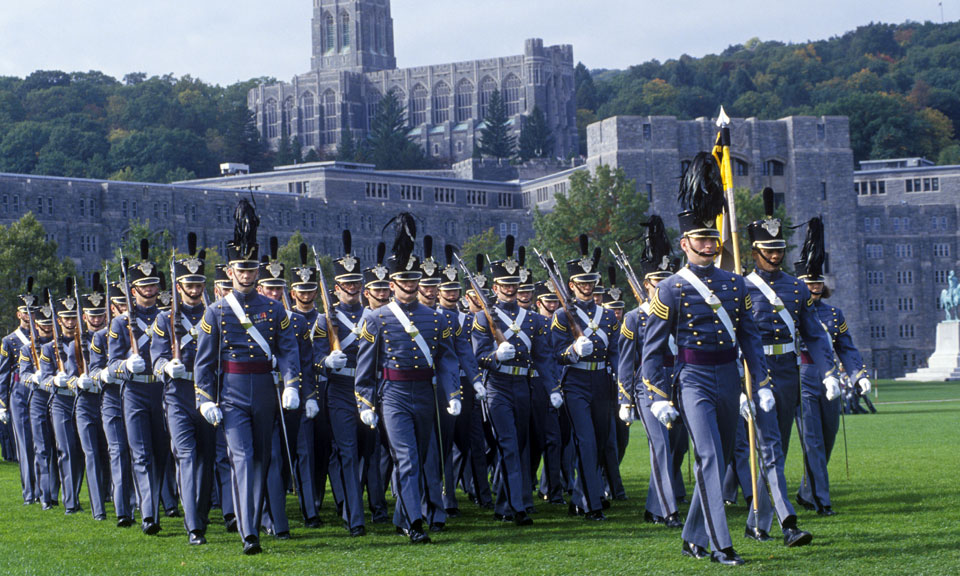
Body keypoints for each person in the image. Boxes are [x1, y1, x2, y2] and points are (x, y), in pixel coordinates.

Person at [641, 152, 770, 566]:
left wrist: (760, 383)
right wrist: (658, 394)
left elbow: (750, 339)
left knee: (717, 458)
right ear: (685, 243)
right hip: (693, 378)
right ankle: (721, 545)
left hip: (729, 377)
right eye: (701, 239)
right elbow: (653, 348)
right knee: (710, 457)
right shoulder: (671, 290)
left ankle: (693, 536)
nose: (709, 245)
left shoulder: (735, 285)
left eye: (712, 239)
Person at [193, 199, 302, 555]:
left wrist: (292, 384)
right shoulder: (216, 310)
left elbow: (288, 350)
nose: (247, 274)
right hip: (233, 392)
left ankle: (254, 521)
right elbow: (205, 362)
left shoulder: (274, 309)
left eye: (252, 268)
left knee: (262, 460)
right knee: (240, 458)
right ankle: (249, 532)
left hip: (266, 392)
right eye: (241, 269)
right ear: (230, 271)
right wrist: (204, 398)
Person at [354, 213, 461, 543]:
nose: (413, 286)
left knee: (422, 456)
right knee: (407, 458)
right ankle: (416, 523)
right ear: (393, 284)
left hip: (425, 394)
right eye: (406, 281)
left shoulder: (435, 318)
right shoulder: (377, 318)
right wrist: (365, 400)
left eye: (416, 281)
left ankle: (403, 515)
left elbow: (446, 359)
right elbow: (365, 365)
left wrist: (452, 393)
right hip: (394, 394)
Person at [741, 188, 835, 546]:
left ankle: (756, 523)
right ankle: (787, 522)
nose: (777, 255)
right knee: (770, 450)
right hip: (755, 371)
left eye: (780, 249)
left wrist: (827, 372)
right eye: (770, 251)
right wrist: (740, 385)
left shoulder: (797, 289)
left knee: (775, 451)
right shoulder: (740, 287)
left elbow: (813, 335)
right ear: (755, 252)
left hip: (788, 371)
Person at [473, 236, 556, 525]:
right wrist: (496, 355)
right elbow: (477, 356)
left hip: (523, 386)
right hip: (497, 386)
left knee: (519, 444)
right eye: (504, 285)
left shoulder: (533, 320)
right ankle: (519, 506)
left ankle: (504, 505)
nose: (510, 289)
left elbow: (544, 357)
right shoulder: (484, 318)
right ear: (494, 288)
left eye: (514, 285)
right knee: (507, 443)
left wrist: (553, 387)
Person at [794, 217, 871, 515]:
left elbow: (846, 348)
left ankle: (806, 490)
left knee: (827, 438)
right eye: (808, 284)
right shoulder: (790, 313)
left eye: (817, 283)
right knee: (811, 440)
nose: (814, 288)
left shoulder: (834, 314)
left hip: (832, 381)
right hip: (802, 376)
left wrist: (857, 373)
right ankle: (821, 501)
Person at [617, 216, 684, 529]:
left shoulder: (682, 313)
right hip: (648, 388)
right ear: (646, 284)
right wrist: (625, 399)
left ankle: (655, 505)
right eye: (658, 283)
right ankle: (668, 510)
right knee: (661, 446)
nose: (663, 288)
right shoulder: (634, 318)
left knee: (677, 447)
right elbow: (627, 362)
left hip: (679, 385)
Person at [150, 237, 215, 545]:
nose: (194, 288)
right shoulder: (165, 318)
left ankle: (200, 515)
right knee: (186, 457)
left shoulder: (215, 314)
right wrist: (165, 366)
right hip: (177, 394)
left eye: (198, 283)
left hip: (207, 393)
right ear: (179, 286)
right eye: (189, 283)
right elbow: (156, 355)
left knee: (206, 458)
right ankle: (193, 527)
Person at [550, 235, 620, 521]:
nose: (588, 287)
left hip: (602, 383)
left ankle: (580, 496)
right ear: (572, 285)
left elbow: (615, 350)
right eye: (582, 283)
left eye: (591, 281)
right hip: (576, 383)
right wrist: (573, 350)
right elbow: (555, 354)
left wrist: (617, 375)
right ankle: (593, 504)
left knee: (601, 443)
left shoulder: (608, 316)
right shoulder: (562, 315)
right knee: (587, 442)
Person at [107, 241, 166, 535]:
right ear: (134, 291)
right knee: (140, 454)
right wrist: (126, 366)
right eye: (145, 286)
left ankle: (165, 504)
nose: (151, 291)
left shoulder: (167, 317)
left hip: (163, 391)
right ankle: (149, 515)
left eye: (154, 285)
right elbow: (110, 363)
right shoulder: (120, 323)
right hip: (134, 392)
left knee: (163, 452)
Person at [313, 230, 369, 536]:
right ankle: (354, 516)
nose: (352, 289)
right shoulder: (324, 320)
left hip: (368, 390)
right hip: (339, 391)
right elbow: (314, 356)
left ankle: (358, 506)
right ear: (336, 288)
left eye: (356, 284)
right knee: (347, 451)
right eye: (347, 285)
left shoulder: (372, 316)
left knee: (364, 453)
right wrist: (325, 363)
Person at [89, 282, 136, 527]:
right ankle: (123, 510)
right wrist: (105, 374)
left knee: (140, 453)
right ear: (112, 307)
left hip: (137, 397)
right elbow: (94, 369)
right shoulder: (100, 336)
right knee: (118, 453)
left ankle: (145, 503)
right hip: (113, 399)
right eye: (120, 304)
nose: (125, 309)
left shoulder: (142, 327)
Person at [41, 283, 86, 515]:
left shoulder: (86, 344)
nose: (70, 322)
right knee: (66, 450)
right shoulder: (49, 348)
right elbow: (44, 379)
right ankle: (70, 501)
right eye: (66, 319)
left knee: (82, 452)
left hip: (84, 400)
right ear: (59, 321)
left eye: (73, 318)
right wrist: (56, 381)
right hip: (61, 401)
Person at [71, 278, 111, 521]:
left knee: (112, 452)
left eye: (100, 315)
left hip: (108, 399)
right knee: (93, 454)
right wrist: (77, 381)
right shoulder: (75, 343)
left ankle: (117, 497)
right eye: (92, 316)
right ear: (84, 317)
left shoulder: (112, 335)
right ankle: (98, 507)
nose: (96, 320)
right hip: (86, 402)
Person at [0, 282, 42, 506]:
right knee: (25, 445)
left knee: (44, 444)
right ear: (19, 314)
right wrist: (2, 404)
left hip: (42, 390)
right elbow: (3, 374)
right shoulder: (9, 341)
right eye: (26, 312)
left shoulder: (45, 336)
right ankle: (30, 492)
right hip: (19, 393)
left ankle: (46, 491)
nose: (30, 315)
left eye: (33, 311)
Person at [20, 295, 60, 509]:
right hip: (38, 398)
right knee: (43, 449)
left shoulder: (61, 346)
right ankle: (46, 496)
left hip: (60, 397)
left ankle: (59, 493)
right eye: (43, 324)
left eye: (49, 324)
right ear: (36, 325)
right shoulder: (28, 349)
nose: (46, 328)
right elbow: (23, 375)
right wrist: (35, 377)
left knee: (62, 448)